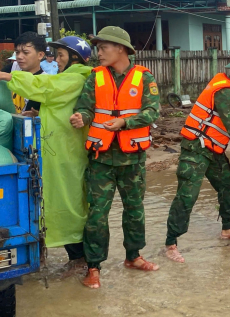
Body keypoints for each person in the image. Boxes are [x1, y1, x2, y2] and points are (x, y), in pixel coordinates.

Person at [0, 35, 93, 274]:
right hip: (54, 150)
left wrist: (6, 75)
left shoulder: (77, 77)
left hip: (66, 153)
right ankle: (61, 257)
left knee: (68, 203)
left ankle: (81, 259)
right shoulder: (67, 77)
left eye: (60, 56)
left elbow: (45, 89)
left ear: (75, 58)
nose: (56, 61)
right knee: (51, 201)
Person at [70, 26, 161, 289]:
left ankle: (133, 256)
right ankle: (93, 267)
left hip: (132, 159)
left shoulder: (144, 78)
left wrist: (125, 121)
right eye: (97, 48)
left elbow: (153, 112)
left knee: (134, 211)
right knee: (97, 215)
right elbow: (85, 107)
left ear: (120, 48)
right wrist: (80, 118)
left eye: (103, 48)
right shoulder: (94, 77)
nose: (98, 53)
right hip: (101, 158)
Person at [164, 53, 230, 263]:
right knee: (188, 194)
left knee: (229, 184)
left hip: (213, 149)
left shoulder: (229, 88)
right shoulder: (227, 91)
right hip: (197, 148)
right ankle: (170, 243)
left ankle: (228, 229)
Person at [8, 32, 48, 116]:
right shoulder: (12, 67)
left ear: (40, 55)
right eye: (17, 52)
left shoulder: (45, 81)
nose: (19, 56)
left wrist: (39, 115)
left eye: (25, 53)